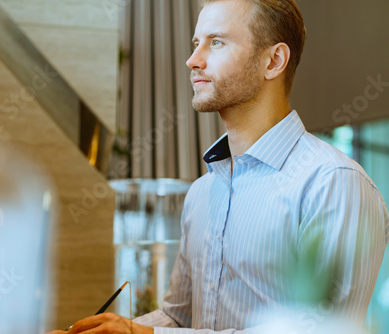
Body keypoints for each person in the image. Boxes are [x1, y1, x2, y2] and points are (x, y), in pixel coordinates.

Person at [47, 0, 389, 333]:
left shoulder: (333, 184)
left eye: (217, 42)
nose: (192, 60)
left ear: (273, 61)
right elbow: (180, 318)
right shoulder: (201, 193)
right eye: (196, 43)